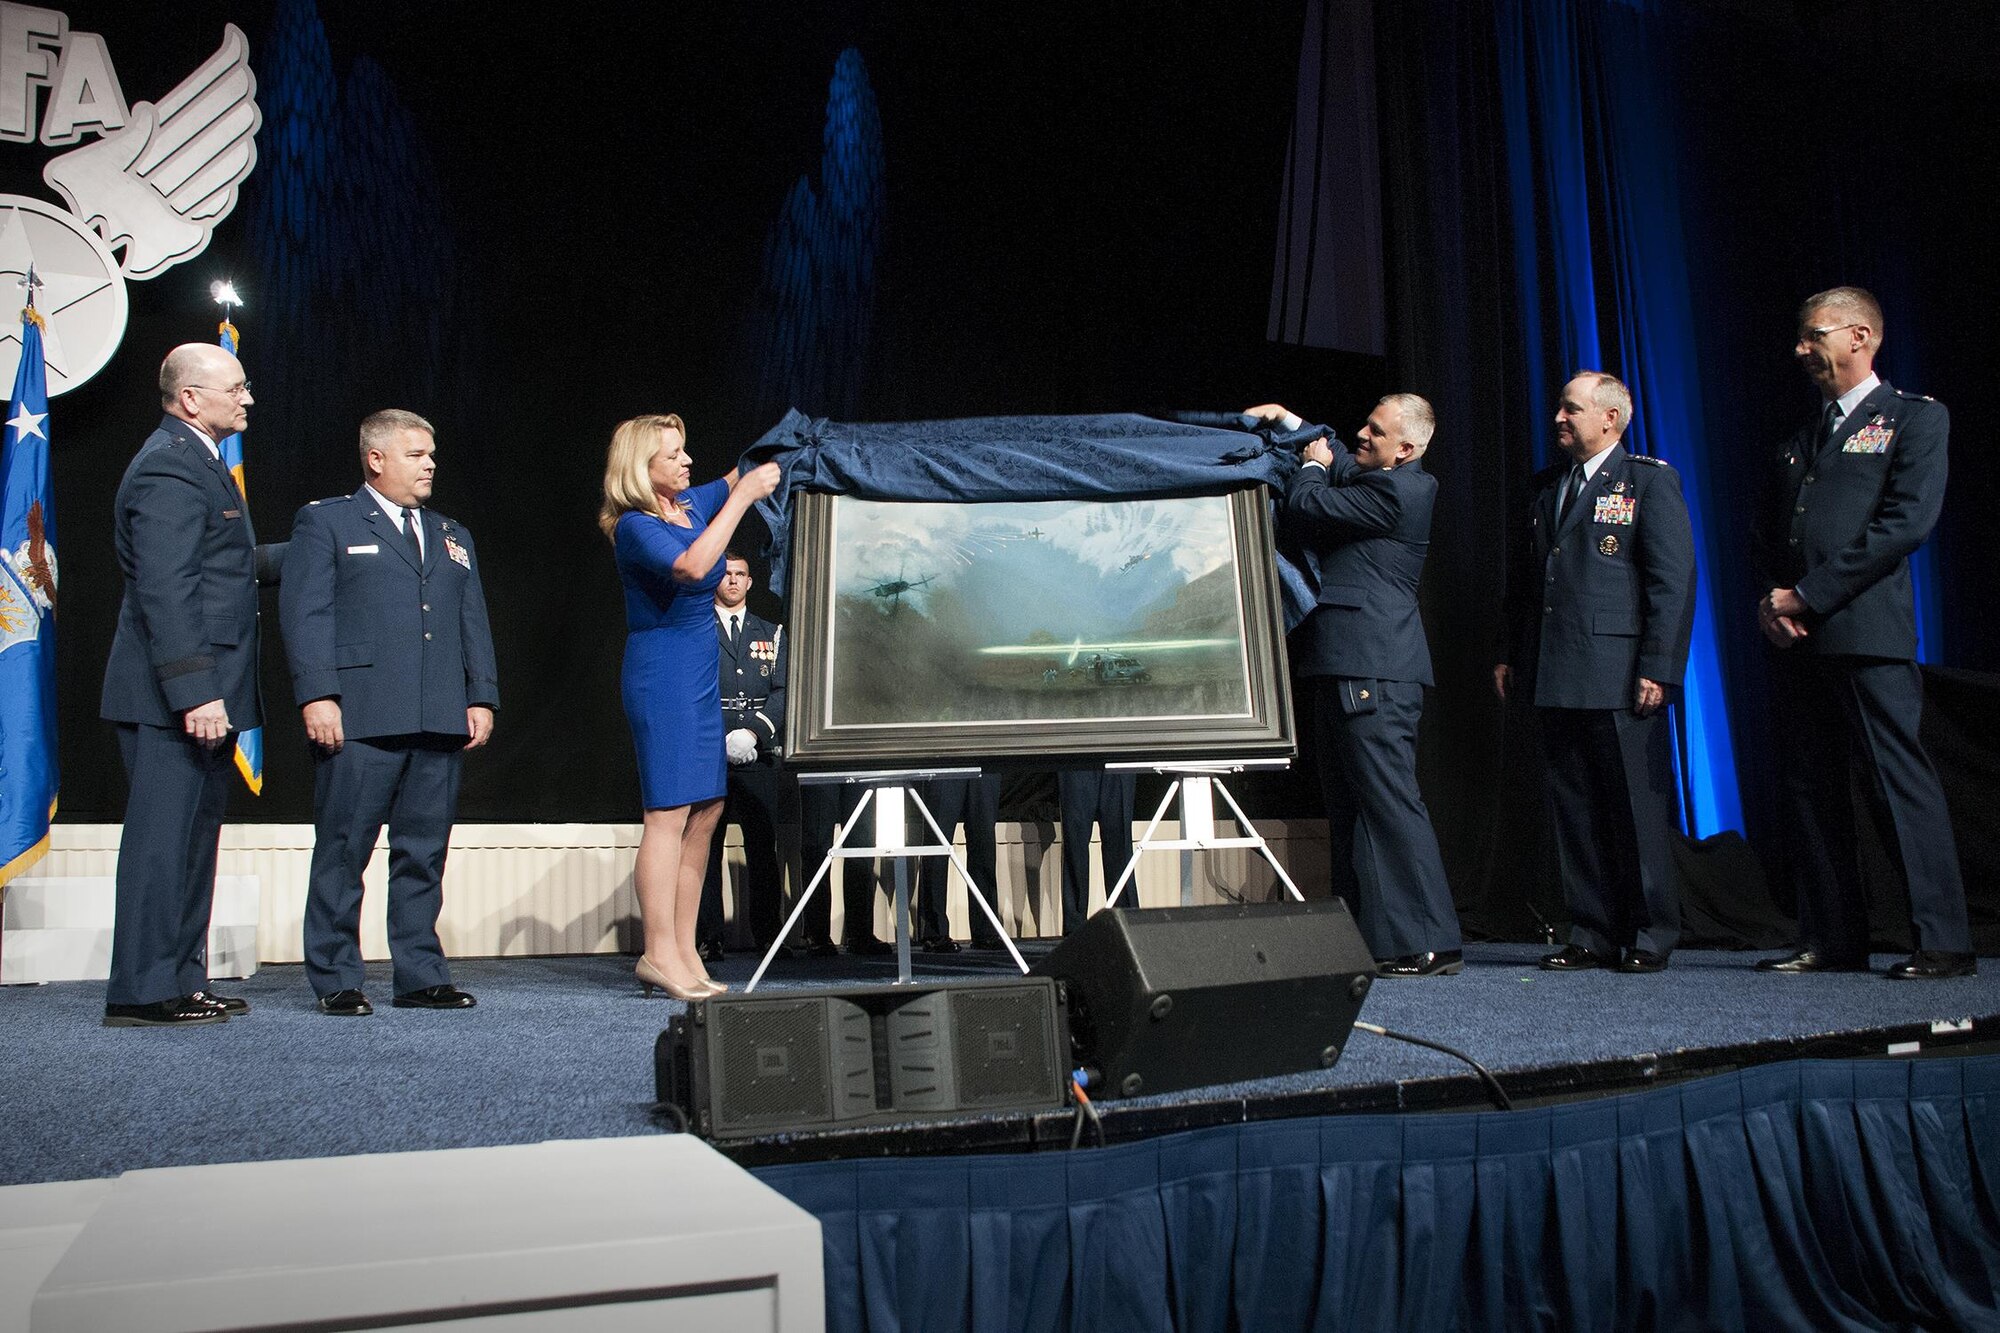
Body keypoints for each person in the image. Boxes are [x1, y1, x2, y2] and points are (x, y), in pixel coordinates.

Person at [1753, 287, 1976, 980]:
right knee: (1809, 786)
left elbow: (1903, 525)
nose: (1799, 349)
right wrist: (1771, 602)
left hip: (1865, 629)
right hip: (1801, 636)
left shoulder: (1912, 418)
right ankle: (1832, 936)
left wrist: (1808, 595)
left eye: (1812, 334)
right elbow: (1777, 536)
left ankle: (1943, 940)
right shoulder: (1799, 437)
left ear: (1859, 337)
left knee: (1894, 782)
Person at [279, 410, 498, 1016]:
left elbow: (470, 619)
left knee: (423, 852)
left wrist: (480, 694)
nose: (430, 464)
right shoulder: (327, 520)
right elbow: (306, 614)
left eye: (432, 454)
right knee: (344, 850)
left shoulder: (453, 532)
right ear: (376, 459)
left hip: (437, 715)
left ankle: (421, 974)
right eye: (416, 454)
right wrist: (317, 694)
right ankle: (336, 977)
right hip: (362, 717)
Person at [100, 344, 282, 1027]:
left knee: (192, 843)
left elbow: (221, 567)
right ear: (190, 399)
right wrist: (196, 692)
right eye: (236, 387)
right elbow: (167, 592)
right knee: (160, 843)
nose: (248, 398)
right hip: (170, 699)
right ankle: (142, 990)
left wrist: (320, 547)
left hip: (203, 693)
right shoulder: (170, 469)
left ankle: (180, 978)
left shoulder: (196, 461)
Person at [1495, 371, 1694, 974]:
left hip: (1619, 670)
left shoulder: (1647, 482)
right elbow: (1527, 587)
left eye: (1572, 409)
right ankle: (1592, 931)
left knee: (1633, 808)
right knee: (1574, 808)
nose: (1559, 417)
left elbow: (1671, 580)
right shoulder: (1545, 488)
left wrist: (1659, 667)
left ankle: (1650, 933)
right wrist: (1510, 653)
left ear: (1610, 419)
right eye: (1560, 407)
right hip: (1555, 670)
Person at [1269, 396, 1461, 977]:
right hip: (1347, 663)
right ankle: (1372, 937)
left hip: (1372, 667)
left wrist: (1309, 464)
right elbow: (1346, 464)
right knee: (1351, 807)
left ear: (1405, 449)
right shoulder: (1383, 478)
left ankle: (1429, 940)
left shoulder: (1402, 491)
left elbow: (1310, 504)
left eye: (1375, 430)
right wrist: (1292, 422)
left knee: (1389, 805)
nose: (1361, 433)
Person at [602, 414, 781, 1000]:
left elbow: (746, 471)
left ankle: (683, 951)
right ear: (641, 468)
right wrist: (743, 500)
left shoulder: (692, 503)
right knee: (669, 814)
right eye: (674, 455)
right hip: (663, 677)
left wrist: (794, 439)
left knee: (705, 811)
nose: (687, 463)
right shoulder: (636, 525)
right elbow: (693, 567)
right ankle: (657, 952)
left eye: (685, 451)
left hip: (700, 676)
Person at [697, 553, 787, 961]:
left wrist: (752, 732)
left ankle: (768, 936)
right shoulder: (695, 629)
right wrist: (721, 738)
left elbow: (783, 692)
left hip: (758, 754)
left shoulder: (773, 633)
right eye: (726, 574)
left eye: (740, 575)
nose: (732, 581)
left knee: (762, 847)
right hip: (709, 754)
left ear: (750, 583)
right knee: (704, 846)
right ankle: (707, 936)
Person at [916, 774, 1005, 951]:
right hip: (946, 756)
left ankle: (986, 930)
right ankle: (935, 932)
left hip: (986, 757)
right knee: (938, 841)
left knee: (984, 842)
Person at [1058, 769, 1135, 934]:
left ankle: (1127, 922)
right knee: (1075, 844)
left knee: (1120, 845)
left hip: (1118, 752)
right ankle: (1074, 928)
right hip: (1076, 756)